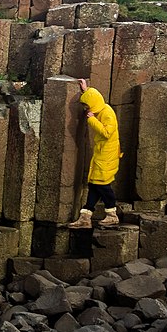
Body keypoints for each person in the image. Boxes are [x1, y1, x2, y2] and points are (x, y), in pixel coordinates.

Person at [68, 78, 122, 229]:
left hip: (107, 155)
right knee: (94, 185)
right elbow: (94, 98)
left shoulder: (107, 113)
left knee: (103, 185)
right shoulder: (100, 107)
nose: (86, 109)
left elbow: (106, 132)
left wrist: (92, 120)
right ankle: (85, 217)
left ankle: (112, 215)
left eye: (87, 106)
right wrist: (85, 90)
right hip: (102, 153)